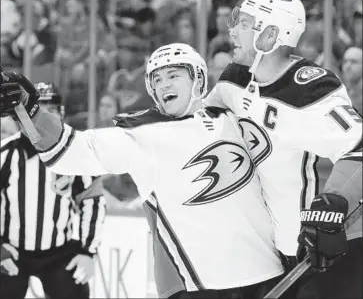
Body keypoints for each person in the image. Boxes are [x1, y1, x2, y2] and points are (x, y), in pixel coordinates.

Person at [0, 43, 285, 299]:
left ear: (198, 79)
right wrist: (30, 111)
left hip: (268, 277)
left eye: (173, 75)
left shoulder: (238, 119)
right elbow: (71, 151)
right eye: (156, 79)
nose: (163, 85)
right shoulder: (143, 136)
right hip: (197, 286)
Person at [204, 0, 362, 298]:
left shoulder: (311, 89)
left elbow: (358, 146)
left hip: (332, 250)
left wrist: (331, 205)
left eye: (245, 24)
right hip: (276, 256)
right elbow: (204, 124)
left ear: (270, 34)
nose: (233, 30)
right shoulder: (233, 80)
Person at [0, 82, 106, 299]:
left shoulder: (74, 154)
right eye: (37, 108)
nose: (42, 115)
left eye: (51, 109)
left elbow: (92, 202)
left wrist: (87, 251)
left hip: (59, 252)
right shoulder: (4, 155)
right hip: (10, 250)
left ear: (62, 114)